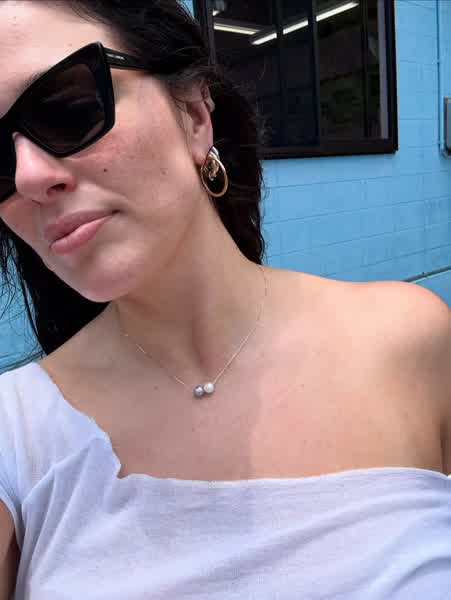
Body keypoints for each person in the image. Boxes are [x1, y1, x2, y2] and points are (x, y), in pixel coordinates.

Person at [0, 1, 450, 598]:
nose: (29, 176)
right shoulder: (15, 435)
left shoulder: (411, 340)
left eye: (68, 108)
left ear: (192, 115)